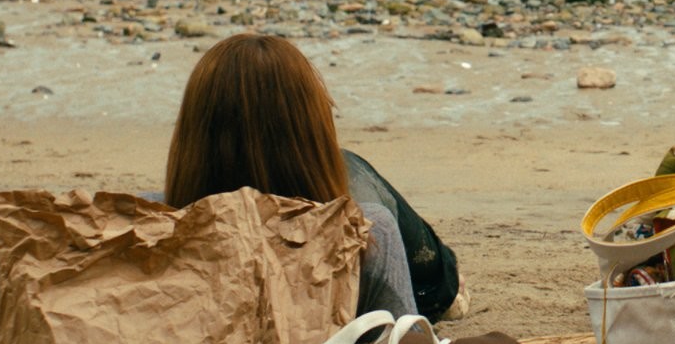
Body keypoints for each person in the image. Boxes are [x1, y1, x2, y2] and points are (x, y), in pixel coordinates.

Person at [162, 33, 467, 321]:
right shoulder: (365, 230)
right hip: (375, 308)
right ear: (313, 126)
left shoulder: (154, 225)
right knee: (351, 169)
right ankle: (448, 282)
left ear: (191, 131)